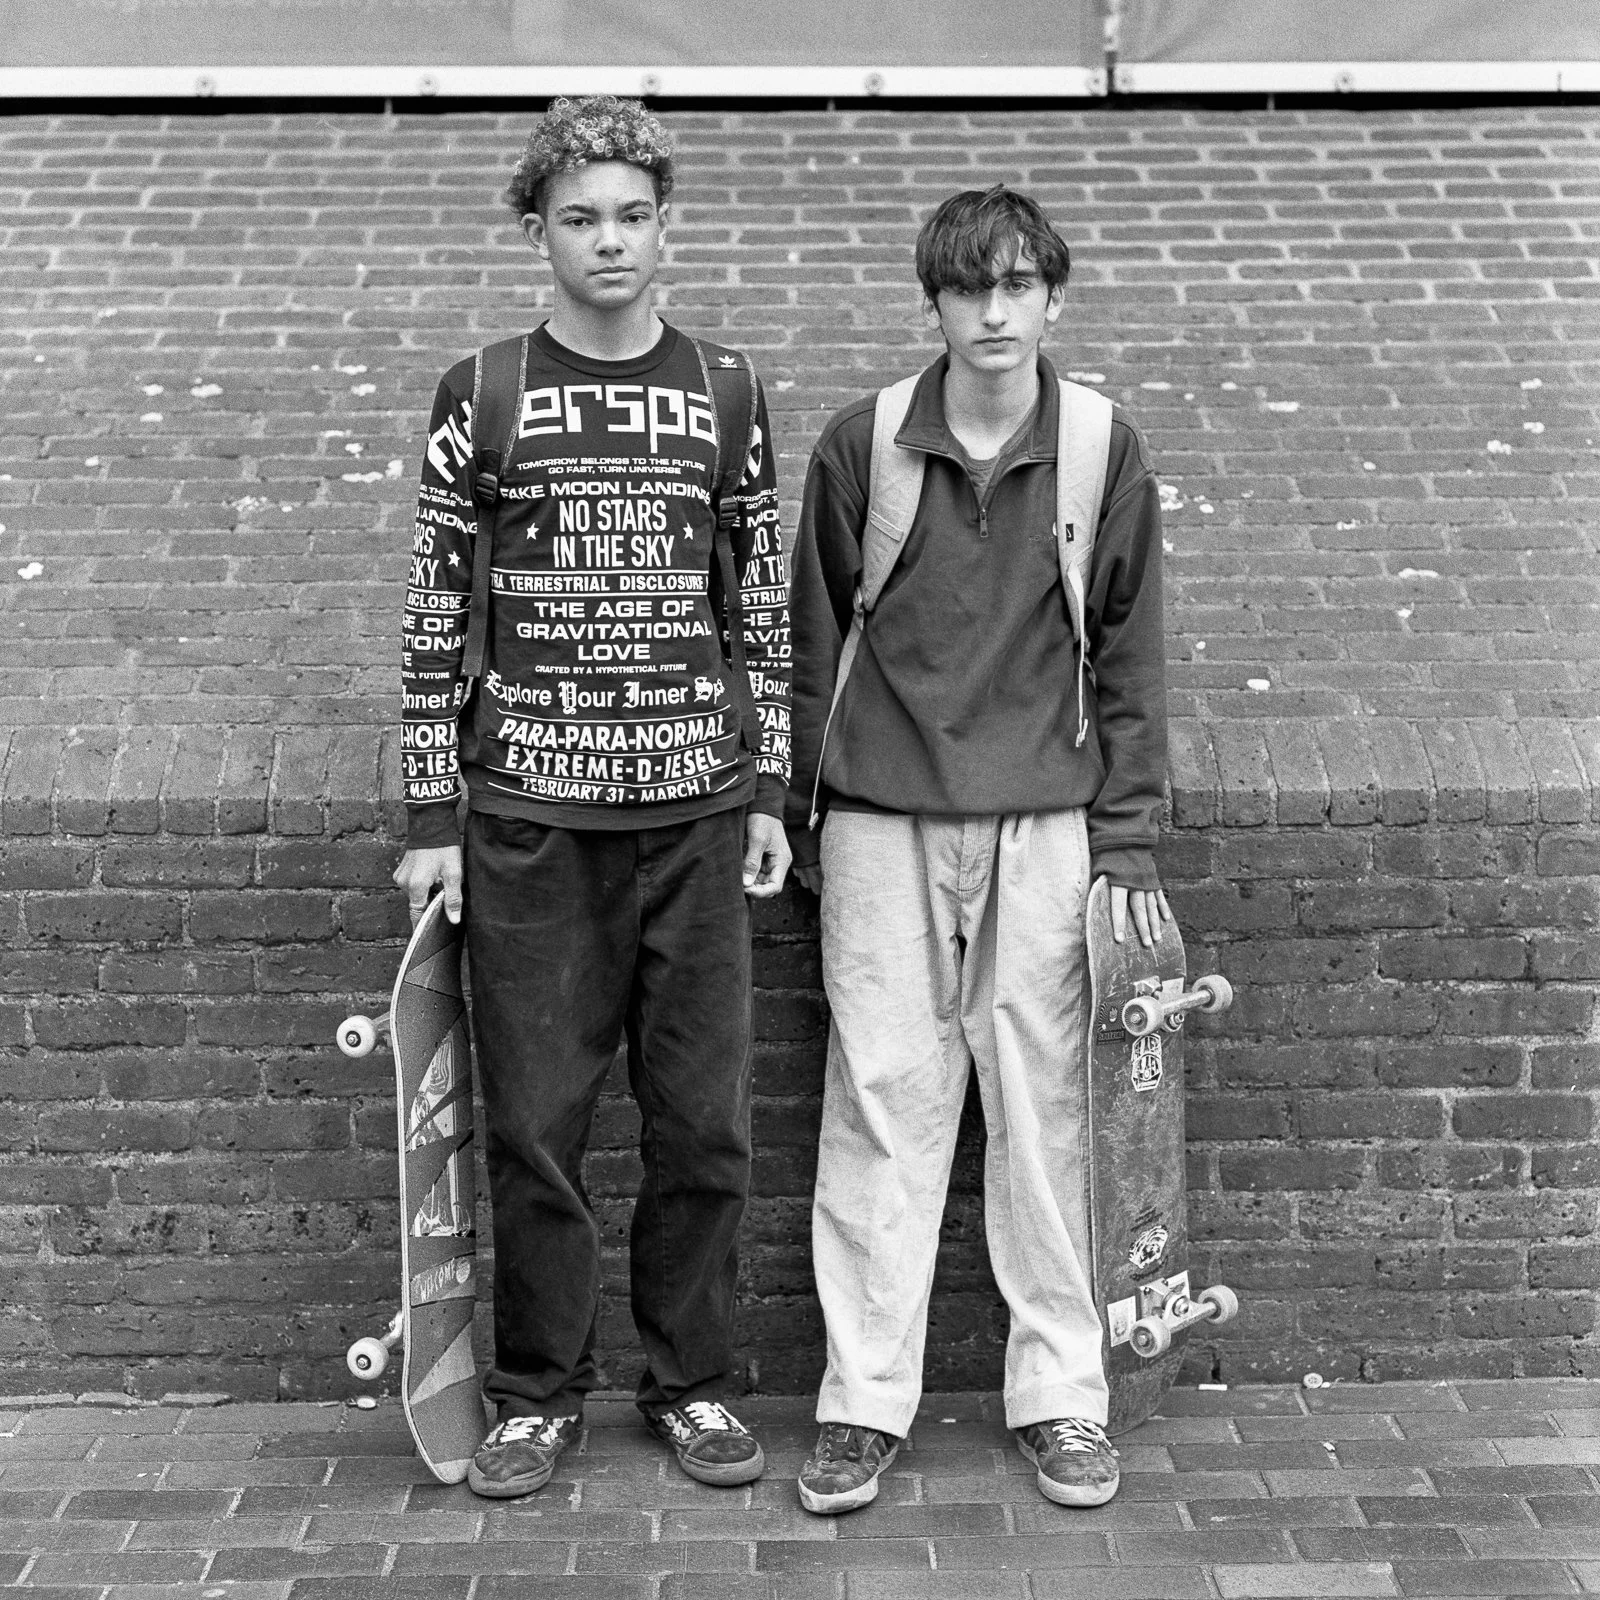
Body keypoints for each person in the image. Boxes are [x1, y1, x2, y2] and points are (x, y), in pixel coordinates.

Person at [393, 96, 791, 1501]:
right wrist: (433, 819)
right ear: (539, 232)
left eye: (631, 215)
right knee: (534, 1125)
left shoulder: (728, 388)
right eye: (580, 219)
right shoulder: (483, 389)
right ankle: (535, 1394)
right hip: (529, 818)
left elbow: (758, 606)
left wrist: (765, 792)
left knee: (702, 1126)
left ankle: (689, 1385)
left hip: (693, 809)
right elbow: (441, 610)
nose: (608, 242)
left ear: (664, 223)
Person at [784, 185, 1168, 1514]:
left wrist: (1127, 838)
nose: (993, 312)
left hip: (1048, 821)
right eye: (968, 288)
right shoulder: (866, 446)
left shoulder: (1102, 448)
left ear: (1052, 298)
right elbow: (813, 643)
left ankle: (1063, 1396)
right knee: (882, 1100)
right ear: (935, 301)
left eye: (1017, 286)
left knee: (1048, 1110)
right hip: (883, 811)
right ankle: (861, 1404)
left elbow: (1128, 653)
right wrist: (803, 813)